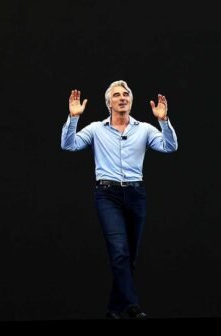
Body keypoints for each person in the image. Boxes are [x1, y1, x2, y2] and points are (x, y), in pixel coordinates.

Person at [60, 80, 177, 319]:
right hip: (107, 195)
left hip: (136, 195)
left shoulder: (144, 129)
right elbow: (69, 145)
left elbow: (169, 146)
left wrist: (164, 121)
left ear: (130, 101)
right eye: (116, 95)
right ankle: (132, 306)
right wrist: (73, 118)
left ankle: (114, 309)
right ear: (109, 103)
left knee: (128, 257)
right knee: (119, 251)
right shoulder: (96, 129)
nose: (122, 98)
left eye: (126, 94)